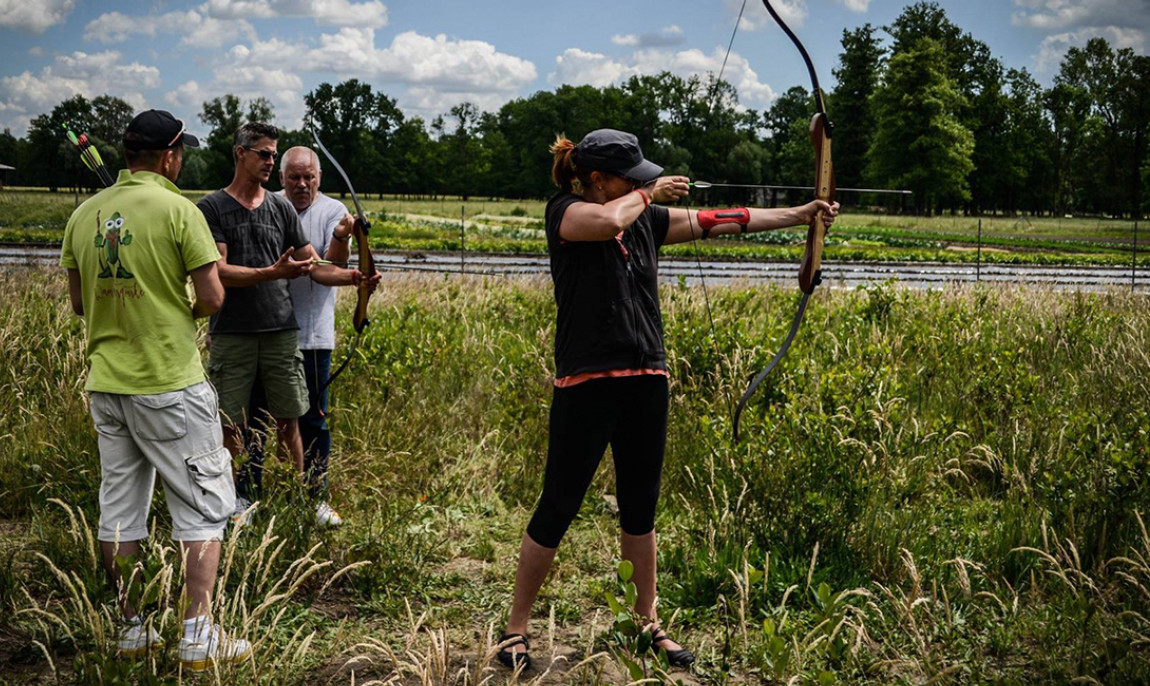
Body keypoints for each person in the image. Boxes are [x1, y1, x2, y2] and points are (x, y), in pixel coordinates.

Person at [497, 129, 839, 670]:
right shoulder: (566, 212)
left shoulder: (645, 219)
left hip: (646, 379)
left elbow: (722, 220)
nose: (638, 185)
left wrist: (802, 215)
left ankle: (647, 622)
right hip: (587, 382)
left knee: (641, 508)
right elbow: (608, 222)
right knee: (558, 507)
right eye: (628, 178)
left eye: (640, 178)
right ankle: (515, 628)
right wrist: (649, 194)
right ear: (596, 180)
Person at [61, 109, 249, 670]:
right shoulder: (179, 210)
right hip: (169, 382)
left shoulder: (84, 216)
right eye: (181, 152)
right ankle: (197, 634)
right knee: (202, 504)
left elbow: (78, 303)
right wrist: (178, 302)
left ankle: (133, 629)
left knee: (120, 510)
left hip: (108, 385)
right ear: (169, 155)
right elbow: (212, 298)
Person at [197, 123, 353, 521]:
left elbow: (312, 265)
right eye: (264, 154)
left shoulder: (280, 207)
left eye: (272, 154)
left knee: (291, 419)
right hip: (233, 331)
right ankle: (236, 499)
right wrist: (272, 272)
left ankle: (302, 499)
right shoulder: (211, 207)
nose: (269, 161)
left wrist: (352, 276)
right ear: (240, 154)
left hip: (281, 331)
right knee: (234, 422)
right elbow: (219, 271)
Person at [235, 145, 379, 526]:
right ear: (281, 178)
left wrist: (348, 252)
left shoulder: (332, 210)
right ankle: (247, 498)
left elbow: (330, 264)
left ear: (319, 178)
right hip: (265, 332)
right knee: (257, 421)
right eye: (294, 177)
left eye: (309, 177)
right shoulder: (266, 205)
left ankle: (314, 498)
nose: (302, 184)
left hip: (313, 336)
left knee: (313, 421)